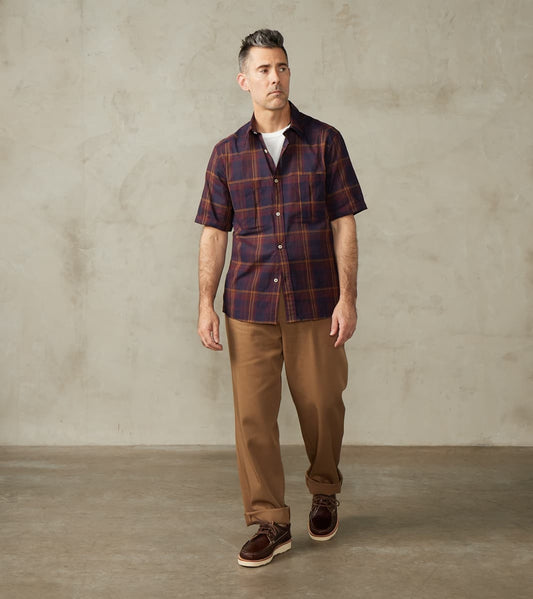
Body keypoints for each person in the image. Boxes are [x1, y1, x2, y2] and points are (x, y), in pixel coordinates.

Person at [195, 29, 367, 568]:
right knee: (253, 419)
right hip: (248, 306)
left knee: (322, 404)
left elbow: (344, 224)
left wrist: (347, 298)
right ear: (243, 80)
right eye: (265, 70)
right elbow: (214, 233)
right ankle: (270, 521)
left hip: (315, 301)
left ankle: (325, 488)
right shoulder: (226, 154)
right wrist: (204, 303)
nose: (276, 78)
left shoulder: (325, 142)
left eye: (283, 68)